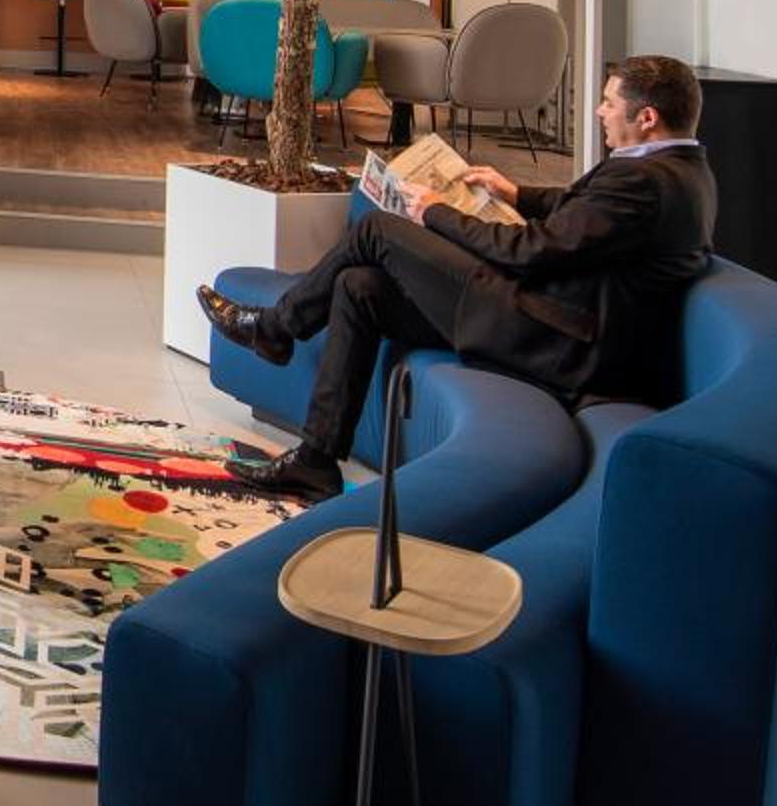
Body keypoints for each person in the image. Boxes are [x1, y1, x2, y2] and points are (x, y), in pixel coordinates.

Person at [199, 53, 717, 501]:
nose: (600, 111)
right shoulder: (676, 171)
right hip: (551, 319)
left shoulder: (644, 181)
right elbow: (581, 214)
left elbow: (529, 252)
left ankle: (274, 328)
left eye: (608, 102)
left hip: (551, 338)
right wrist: (517, 194)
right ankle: (316, 459)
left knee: (378, 230)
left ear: (646, 117)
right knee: (360, 287)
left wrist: (436, 212)